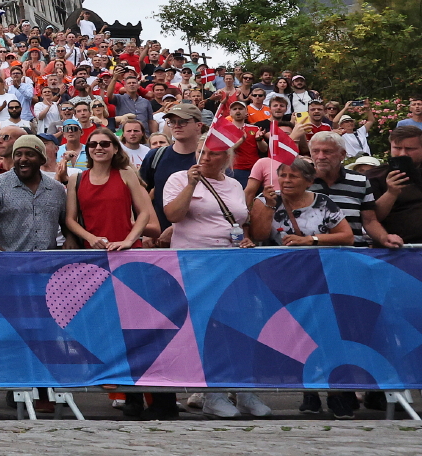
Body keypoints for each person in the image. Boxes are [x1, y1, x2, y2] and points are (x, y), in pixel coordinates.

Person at [161, 143, 269, 420]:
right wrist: (190, 184)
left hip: (231, 264)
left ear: (226, 158)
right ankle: (213, 394)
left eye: (213, 154)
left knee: (239, 327)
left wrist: (245, 239)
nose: (206, 158)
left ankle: (244, 390)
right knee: (209, 329)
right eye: (203, 153)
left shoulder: (234, 184)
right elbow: (173, 215)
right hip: (194, 265)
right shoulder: (178, 178)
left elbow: (239, 221)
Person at [64, 129, 154, 251]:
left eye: (105, 144)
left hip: (126, 249)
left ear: (116, 149)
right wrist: (90, 238)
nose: (98, 147)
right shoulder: (76, 179)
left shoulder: (126, 173)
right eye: (93, 144)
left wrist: (129, 240)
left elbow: (144, 212)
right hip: (92, 251)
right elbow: (70, 219)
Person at [0, 136, 67, 252]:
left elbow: (65, 222)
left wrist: (70, 239)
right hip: (6, 265)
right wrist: (1, 254)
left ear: (42, 160)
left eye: (30, 154)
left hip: (46, 264)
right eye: (18, 154)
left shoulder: (57, 189)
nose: (23, 159)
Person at [249, 157, 353, 247]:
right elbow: (258, 237)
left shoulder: (322, 202)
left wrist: (310, 240)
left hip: (314, 262)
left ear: (309, 181)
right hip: (275, 263)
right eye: (283, 175)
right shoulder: (264, 199)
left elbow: (347, 237)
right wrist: (269, 206)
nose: (287, 180)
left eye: (293, 176)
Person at [373, 125, 422, 244]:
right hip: (395, 248)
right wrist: (391, 193)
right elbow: (372, 219)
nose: (402, 154)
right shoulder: (375, 176)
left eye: (410, 148)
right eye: (397, 148)